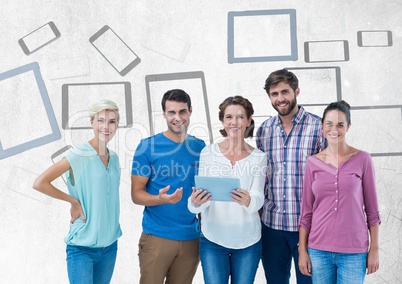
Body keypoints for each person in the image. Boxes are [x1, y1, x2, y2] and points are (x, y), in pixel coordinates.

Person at [32, 99, 122, 283]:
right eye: (100, 121)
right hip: (82, 247)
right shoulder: (79, 154)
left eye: (112, 121)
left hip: (110, 246)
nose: (106, 126)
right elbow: (40, 182)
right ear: (91, 122)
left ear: (117, 124)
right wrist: (73, 201)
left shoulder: (114, 158)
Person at [298, 100, 381, 283]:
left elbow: (373, 211)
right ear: (322, 126)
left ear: (348, 127)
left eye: (340, 124)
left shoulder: (363, 159)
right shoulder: (313, 163)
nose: (334, 129)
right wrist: (302, 251)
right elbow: (306, 212)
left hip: (354, 252)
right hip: (318, 250)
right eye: (329, 124)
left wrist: (374, 248)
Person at [256, 69, 326, 284]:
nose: (280, 99)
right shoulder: (264, 131)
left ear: (296, 91)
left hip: (308, 229)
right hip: (271, 227)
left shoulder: (318, 127)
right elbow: (261, 180)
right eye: (274, 94)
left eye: (284, 92)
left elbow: (328, 182)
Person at [188, 96, 267, 284]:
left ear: (249, 121)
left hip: (248, 240)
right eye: (229, 117)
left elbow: (258, 196)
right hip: (213, 238)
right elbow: (201, 200)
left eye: (240, 117)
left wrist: (249, 200)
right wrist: (195, 202)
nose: (234, 122)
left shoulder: (259, 157)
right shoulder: (208, 152)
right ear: (223, 121)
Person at [131, 89, 206, 284]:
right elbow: (136, 194)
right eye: (171, 112)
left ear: (190, 111)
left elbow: (205, 193)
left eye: (182, 111)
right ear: (164, 114)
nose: (177, 117)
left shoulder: (200, 148)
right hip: (157, 237)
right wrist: (159, 199)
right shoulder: (147, 146)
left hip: (191, 238)